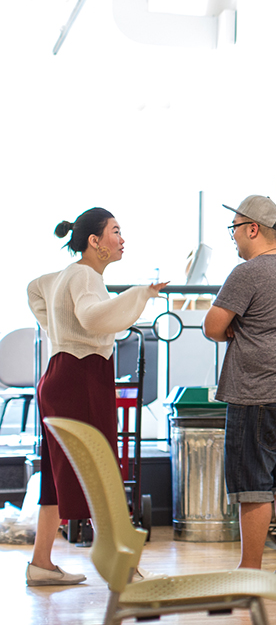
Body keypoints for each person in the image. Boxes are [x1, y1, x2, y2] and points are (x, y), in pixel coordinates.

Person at [26, 207, 168, 587]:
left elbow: (34, 289)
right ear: (94, 241)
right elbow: (92, 316)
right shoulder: (86, 275)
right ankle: (124, 569)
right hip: (81, 376)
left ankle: (41, 563)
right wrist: (141, 295)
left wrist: (58, 328)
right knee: (101, 470)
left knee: (58, 476)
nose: (122, 239)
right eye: (115, 231)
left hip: (60, 375)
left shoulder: (68, 275)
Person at [203, 195, 276, 580]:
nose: (232, 237)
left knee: (253, 485)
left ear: (252, 229)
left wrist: (234, 327)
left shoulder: (247, 272)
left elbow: (212, 327)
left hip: (258, 392)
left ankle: (250, 570)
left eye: (234, 229)